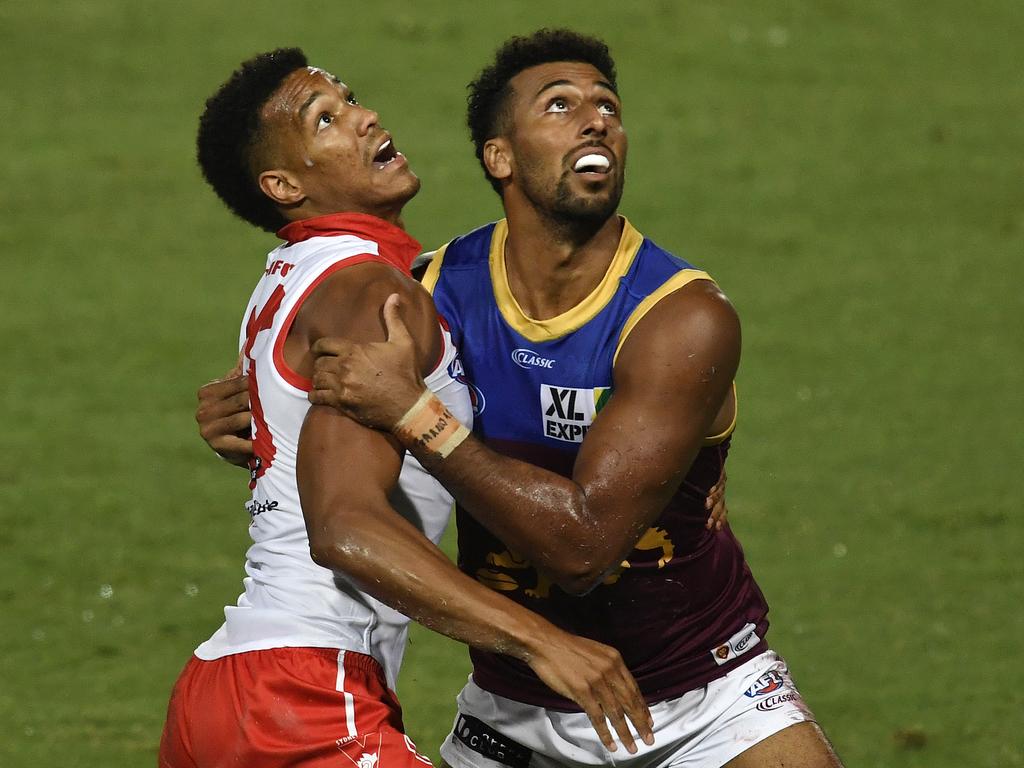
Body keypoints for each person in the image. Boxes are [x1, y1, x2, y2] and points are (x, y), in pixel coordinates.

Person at [302, 30, 845, 768]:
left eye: (608, 108)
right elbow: (331, 415)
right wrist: (256, 403)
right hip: (515, 710)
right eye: (560, 106)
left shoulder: (680, 317)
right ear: (501, 158)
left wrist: (412, 413)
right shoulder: (433, 294)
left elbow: (583, 548)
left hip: (707, 703)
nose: (597, 121)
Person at [161, 47, 656, 768]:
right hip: (305, 696)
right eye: (326, 119)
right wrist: (543, 641)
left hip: (225, 688)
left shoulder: (290, 278)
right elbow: (342, 527)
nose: (365, 118)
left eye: (351, 99)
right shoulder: (373, 295)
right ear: (283, 183)